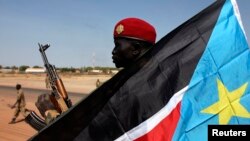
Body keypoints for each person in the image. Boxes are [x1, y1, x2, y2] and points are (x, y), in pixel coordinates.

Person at [33, 17, 157, 136]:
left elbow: (93, 136)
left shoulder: (131, 91)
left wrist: (51, 113)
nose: (113, 51)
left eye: (117, 45)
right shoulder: (151, 80)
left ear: (135, 48)